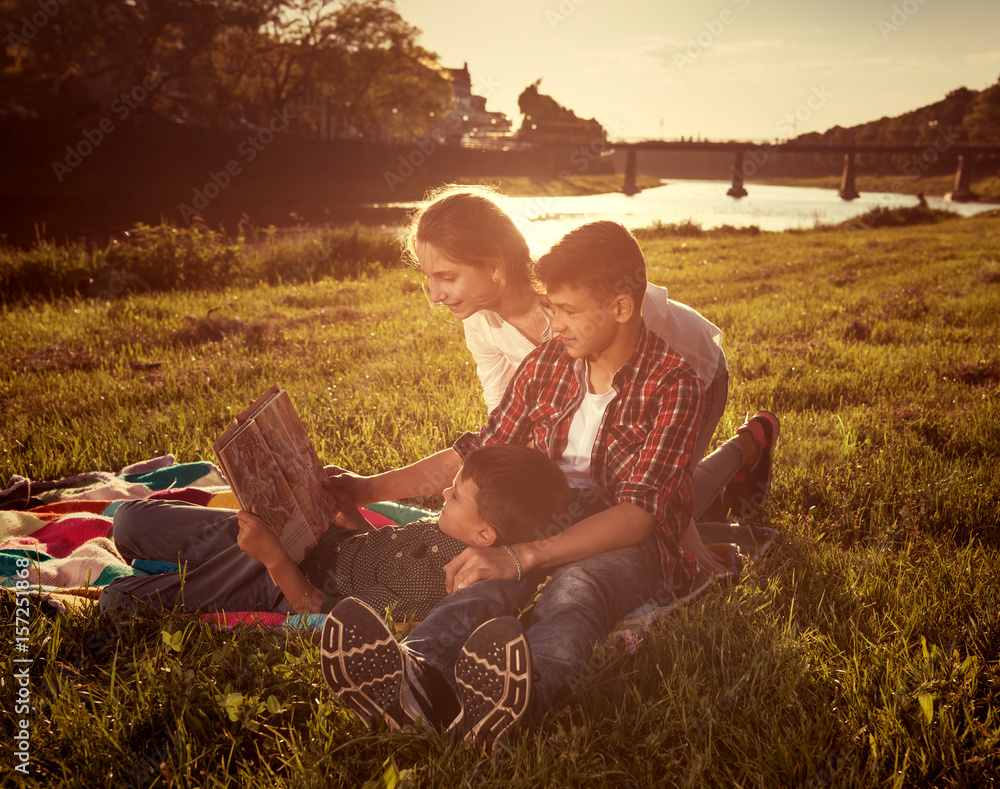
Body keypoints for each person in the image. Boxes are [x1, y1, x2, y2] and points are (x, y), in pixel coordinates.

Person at [321, 221, 762, 754]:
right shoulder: (547, 365)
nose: (555, 326)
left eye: (569, 312)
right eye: (552, 309)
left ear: (621, 308)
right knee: (484, 580)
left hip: (625, 541)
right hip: (542, 520)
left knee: (575, 592)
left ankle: (521, 701)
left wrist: (526, 555)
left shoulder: (675, 385)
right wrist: (368, 489)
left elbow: (639, 515)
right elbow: (483, 451)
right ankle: (416, 675)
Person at [403, 184, 777, 525]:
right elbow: (503, 434)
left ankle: (749, 443)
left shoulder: (579, 293)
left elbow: (642, 402)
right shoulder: (480, 321)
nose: (434, 295)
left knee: (658, 510)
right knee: (574, 503)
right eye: (429, 277)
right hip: (601, 402)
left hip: (690, 379)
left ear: (494, 267)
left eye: (447, 277)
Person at [98, 443, 570, 622]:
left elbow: (323, 610)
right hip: (315, 541)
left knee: (118, 602)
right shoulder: (451, 530)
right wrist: (350, 517)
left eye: (457, 495)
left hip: (281, 578)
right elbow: (385, 554)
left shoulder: (441, 582)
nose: (445, 491)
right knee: (129, 520)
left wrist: (273, 558)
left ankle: (162, 576)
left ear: (485, 535)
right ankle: (160, 552)